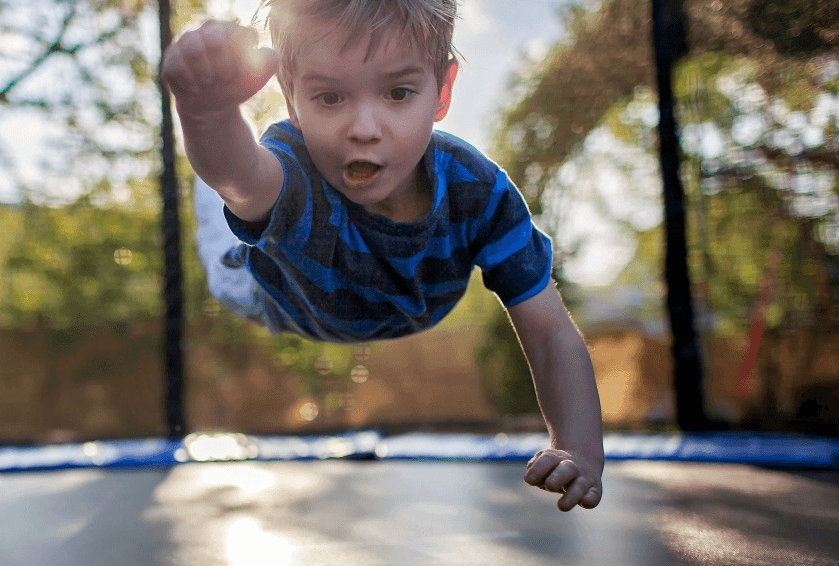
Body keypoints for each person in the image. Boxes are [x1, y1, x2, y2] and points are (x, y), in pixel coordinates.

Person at [162, 0, 604, 512]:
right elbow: (242, 179)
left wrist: (580, 451)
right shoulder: (295, 168)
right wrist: (206, 113)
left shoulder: (478, 194)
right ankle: (211, 140)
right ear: (290, 97)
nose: (365, 127)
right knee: (225, 188)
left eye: (398, 93)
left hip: (378, 299)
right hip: (264, 289)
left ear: (442, 91)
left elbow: (550, 332)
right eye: (329, 97)